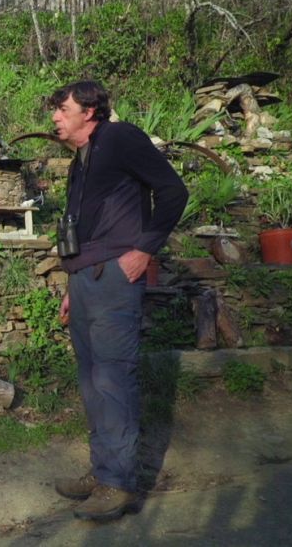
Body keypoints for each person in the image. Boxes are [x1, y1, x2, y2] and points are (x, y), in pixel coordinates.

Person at [51, 81, 188, 521]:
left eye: (63, 109)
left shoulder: (121, 137)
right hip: (85, 279)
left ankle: (119, 484)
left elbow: (173, 191)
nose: (55, 117)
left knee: (113, 378)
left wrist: (145, 249)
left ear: (89, 111)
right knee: (92, 380)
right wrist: (71, 285)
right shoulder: (82, 158)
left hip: (114, 275)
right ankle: (104, 470)